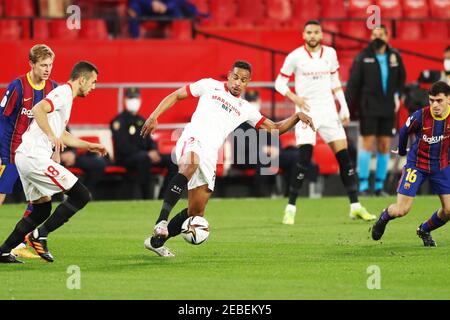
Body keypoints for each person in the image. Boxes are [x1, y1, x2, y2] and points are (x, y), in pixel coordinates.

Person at [140, 60, 314, 257]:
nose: (238, 83)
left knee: (195, 212)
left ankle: (156, 242)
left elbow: (274, 128)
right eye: (236, 77)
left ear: (248, 83)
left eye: (244, 80)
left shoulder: (245, 108)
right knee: (190, 163)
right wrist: (155, 115)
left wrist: (297, 116)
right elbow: (176, 95)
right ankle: (161, 221)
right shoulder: (209, 85)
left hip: (210, 154)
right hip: (192, 137)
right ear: (229, 75)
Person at [0, 61, 107, 263]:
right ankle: (40, 235)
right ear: (82, 79)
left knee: (42, 208)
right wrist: (51, 136)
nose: (94, 87)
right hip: (34, 157)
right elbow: (39, 109)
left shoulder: (65, 97)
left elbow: (62, 134)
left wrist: (89, 145)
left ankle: (4, 251)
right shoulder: (64, 93)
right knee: (81, 195)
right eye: (93, 82)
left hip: (26, 156)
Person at [274, 20, 374, 225]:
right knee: (304, 159)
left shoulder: (330, 53)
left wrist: (343, 107)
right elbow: (279, 83)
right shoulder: (295, 56)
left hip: (329, 111)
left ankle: (355, 207)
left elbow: (335, 81)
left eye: (316, 32)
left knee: (344, 158)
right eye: (309, 32)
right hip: (306, 112)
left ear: (321, 35)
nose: (312, 36)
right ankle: (290, 208)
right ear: (303, 35)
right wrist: (295, 99)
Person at [371, 81, 450, 247]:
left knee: (449, 210)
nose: (435, 105)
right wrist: (401, 151)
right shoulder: (420, 116)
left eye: (439, 100)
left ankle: (424, 229)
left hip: (441, 167)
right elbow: (403, 131)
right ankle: (384, 217)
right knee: (401, 210)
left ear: (448, 99)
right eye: (431, 100)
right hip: (417, 166)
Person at [0, 44, 58, 258]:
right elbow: (3, 120)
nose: (47, 69)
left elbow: (56, 123)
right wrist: (1, 153)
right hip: (11, 152)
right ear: (31, 64)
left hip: (35, 155)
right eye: (43, 65)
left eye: (50, 65)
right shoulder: (17, 86)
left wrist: (55, 148)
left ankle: (20, 242)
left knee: (41, 200)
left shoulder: (53, 89)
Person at [346, 25, 406, 197]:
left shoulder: (395, 56)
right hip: (368, 107)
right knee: (367, 143)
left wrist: (397, 95)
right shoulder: (363, 57)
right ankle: (363, 185)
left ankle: (379, 186)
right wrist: (347, 107)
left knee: (385, 145)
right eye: (374, 35)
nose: (377, 37)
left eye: (380, 34)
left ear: (387, 37)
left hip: (388, 107)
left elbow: (401, 79)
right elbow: (353, 84)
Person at [110, 87, 177, 199]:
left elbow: (150, 140)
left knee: (173, 160)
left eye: (135, 98)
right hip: (126, 159)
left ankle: (164, 195)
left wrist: (153, 150)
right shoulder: (118, 122)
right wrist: (147, 154)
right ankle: (147, 197)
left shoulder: (142, 120)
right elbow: (123, 147)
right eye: (131, 98)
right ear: (125, 100)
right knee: (144, 158)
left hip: (144, 156)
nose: (133, 101)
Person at [60, 127, 108, 200]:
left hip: (72, 158)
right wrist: (60, 155)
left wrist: (73, 154)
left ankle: (86, 192)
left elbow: (70, 140)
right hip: (50, 159)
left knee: (99, 163)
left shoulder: (62, 121)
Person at [128, 0, 199, 38]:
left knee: (177, 10)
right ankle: (135, 40)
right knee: (133, 8)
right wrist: (150, 3)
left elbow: (179, 1)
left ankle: (179, 45)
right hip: (146, 6)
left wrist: (166, 6)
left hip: (166, 7)